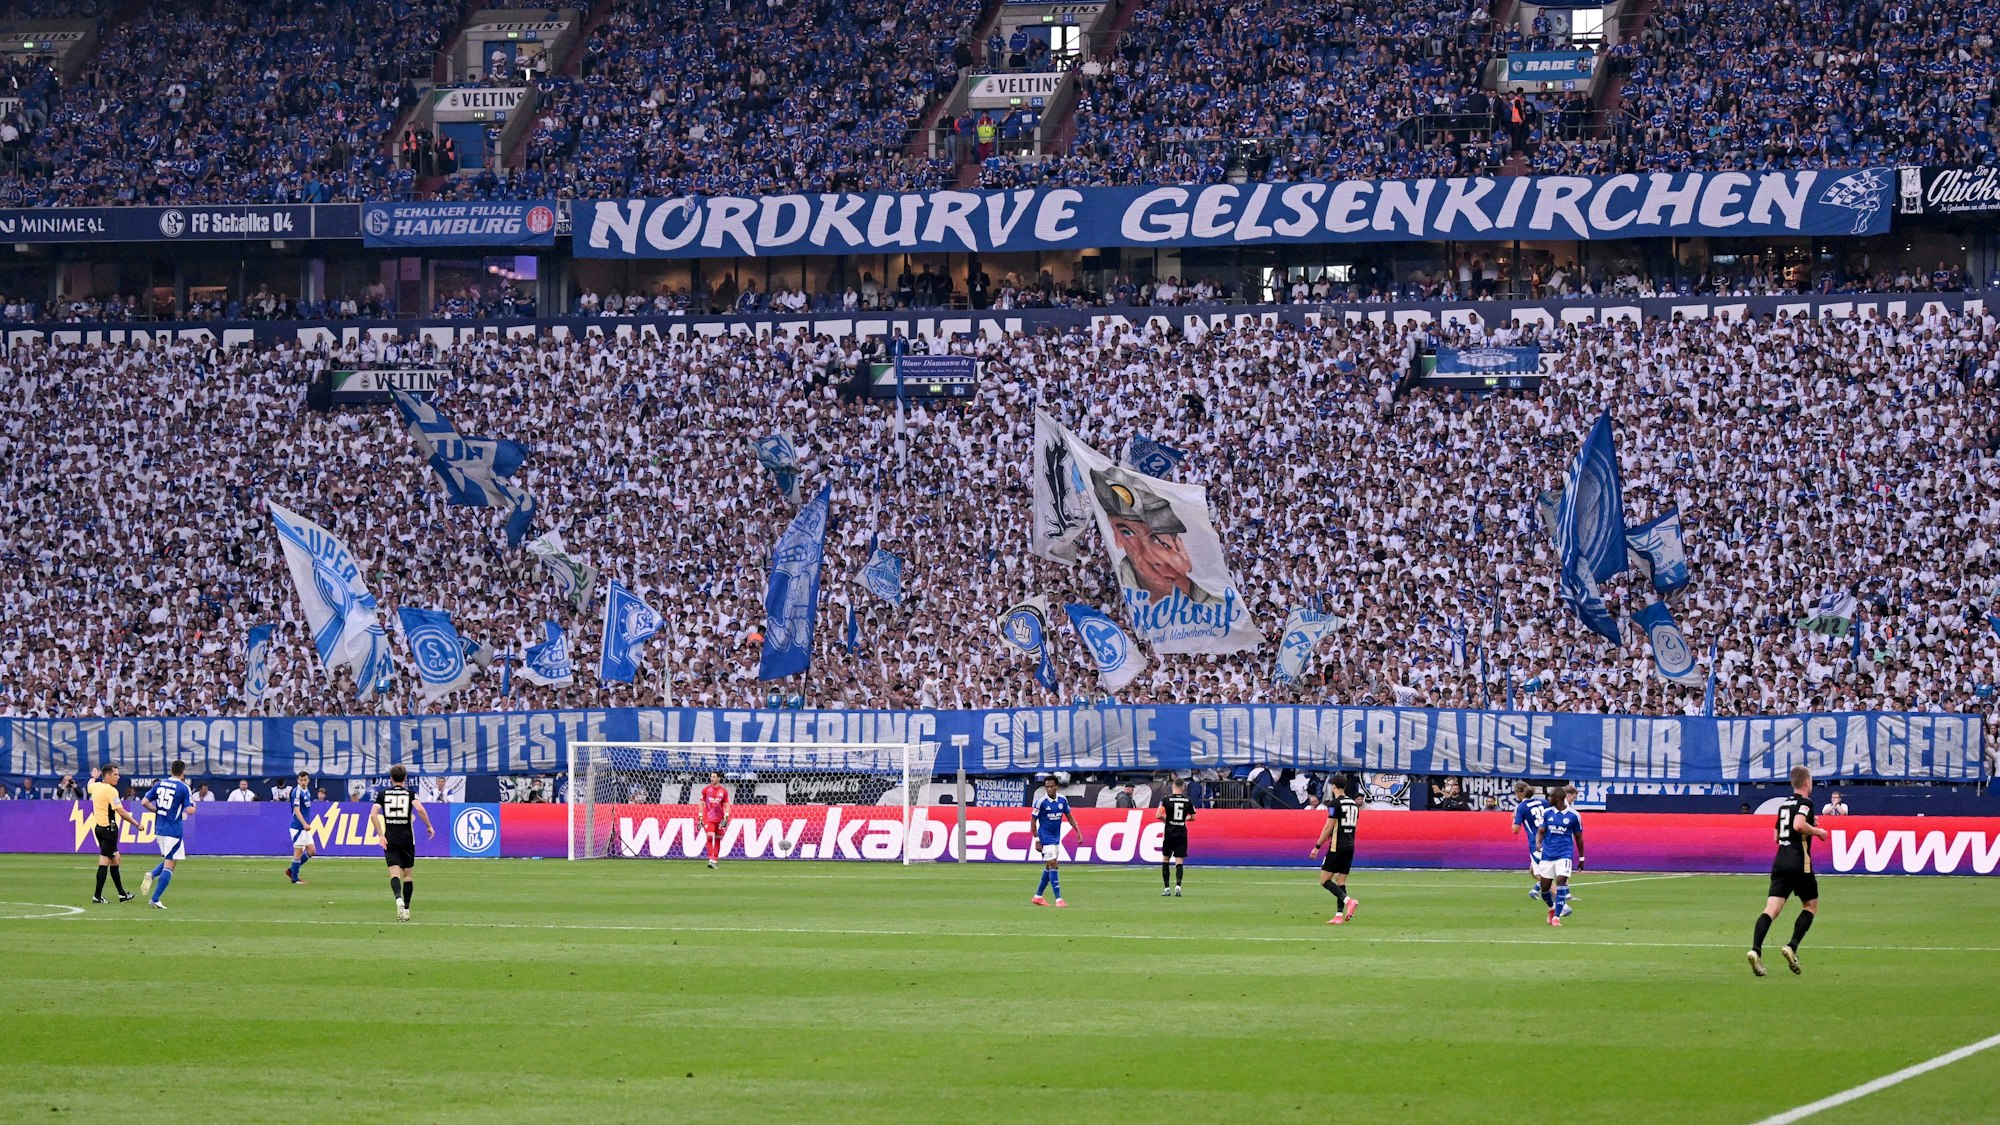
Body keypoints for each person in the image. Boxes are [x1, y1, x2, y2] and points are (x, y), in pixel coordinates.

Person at [1750, 766, 1830, 977]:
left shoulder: (1784, 805)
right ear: (1806, 782)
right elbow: (1798, 825)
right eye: (1811, 781)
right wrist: (1818, 831)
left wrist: (1809, 825)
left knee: (1771, 909)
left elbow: (1776, 836)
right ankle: (1791, 946)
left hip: (1780, 862)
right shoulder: (1806, 803)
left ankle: (1755, 950)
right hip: (1799, 863)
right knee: (1810, 906)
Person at [371, 765, 435, 922]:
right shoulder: (410, 794)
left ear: (391, 779)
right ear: (405, 778)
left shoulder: (383, 794)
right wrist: (429, 826)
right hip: (407, 838)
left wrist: (380, 835)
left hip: (390, 838)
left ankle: (398, 898)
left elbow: (373, 814)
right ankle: (406, 909)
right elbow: (419, 809)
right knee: (407, 874)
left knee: (394, 873)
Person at [139, 760, 193, 909]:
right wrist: (192, 806)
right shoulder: (183, 788)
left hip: (159, 829)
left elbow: (144, 802)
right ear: (183, 772)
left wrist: (157, 810)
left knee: (171, 859)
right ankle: (155, 899)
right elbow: (190, 811)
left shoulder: (160, 784)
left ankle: (151, 874)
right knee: (170, 864)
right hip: (173, 831)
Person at [1308, 773, 1361, 924]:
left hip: (1337, 845)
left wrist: (1317, 846)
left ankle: (1348, 901)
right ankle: (1338, 915)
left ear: (1334, 787)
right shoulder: (1353, 804)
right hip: (1350, 845)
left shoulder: (1335, 804)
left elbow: (1328, 827)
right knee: (1341, 881)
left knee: (1324, 880)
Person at [85, 764, 140, 904]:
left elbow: (89, 785)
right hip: (109, 829)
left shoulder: (96, 787)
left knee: (115, 859)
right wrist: (136, 824)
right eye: (115, 774)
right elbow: (120, 811)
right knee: (105, 860)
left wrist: (93, 777)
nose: (118, 777)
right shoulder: (111, 791)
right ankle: (97, 896)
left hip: (99, 828)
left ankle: (122, 894)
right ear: (108, 776)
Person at [1533, 785, 1584, 927]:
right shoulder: (1547, 812)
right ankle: (1552, 908)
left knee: (1561, 881)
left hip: (1564, 854)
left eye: (1550, 796)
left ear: (1557, 798)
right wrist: (1538, 842)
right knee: (1545, 888)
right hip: (1548, 854)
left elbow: (1579, 837)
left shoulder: (1573, 815)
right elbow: (1541, 830)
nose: (1548, 798)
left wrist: (1581, 858)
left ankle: (1556, 917)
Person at [1030, 775, 1079, 907]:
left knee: (1049, 867)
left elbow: (1069, 816)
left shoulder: (1062, 800)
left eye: (1052, 786)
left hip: (1056, 838)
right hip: (1045, 839)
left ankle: (1038, 896)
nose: (1049, 789)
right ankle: (1059, 899)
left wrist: (1078, 832)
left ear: (1057, 786)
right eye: (1047, 787)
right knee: (1053, 864)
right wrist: (1036, 840)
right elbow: (1033, 821)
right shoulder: (1041, 802)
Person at [1509, 781, 1549, 900]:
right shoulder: (1543, 802)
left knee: (1541, 875)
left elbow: (1515, 830)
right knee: (1532, 870)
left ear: (1519, 793)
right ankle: (1535, 890)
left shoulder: (1521, 807)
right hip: (1550, 839)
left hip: (1536, 843)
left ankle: (1561, 900)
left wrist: (1514, 818)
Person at [1157, 777, 1195, 896]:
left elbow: (1158, 814)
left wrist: (1166, 820)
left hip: (1169, 832)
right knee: (1179, 861)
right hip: (1181, 832)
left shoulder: (1166, 799)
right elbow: (1193, 817)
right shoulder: (1188, 800)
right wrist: (1184, 819)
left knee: (1166, 859)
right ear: (1183, 787)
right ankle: (1178, 886)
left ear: (1173, 786)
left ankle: (1167, 888)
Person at [285, 771, 316, 884]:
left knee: (312, 850)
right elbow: (296, 810)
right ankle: (295, 878)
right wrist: (304, 824)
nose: (303, 782)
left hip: (304, 827)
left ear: (308, 780)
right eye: (301, 780)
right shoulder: (296, 792)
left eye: (305, 780)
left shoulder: (306, 791)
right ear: (298, 780)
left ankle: (291, 870)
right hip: (298, 827)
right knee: (298, 852)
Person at [699, 771, 732, 869]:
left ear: (718, 778)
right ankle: (710, 859)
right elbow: (701, 804)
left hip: (720, 819)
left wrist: (726, 817)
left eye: (714, 777)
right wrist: (700, 817)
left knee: (717, 839)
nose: (712, 779)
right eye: (711, 777)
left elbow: (726, 805)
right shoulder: (706, 790)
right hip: (708, 818)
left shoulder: (723, 791)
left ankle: (714, 860)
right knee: (709, 837)